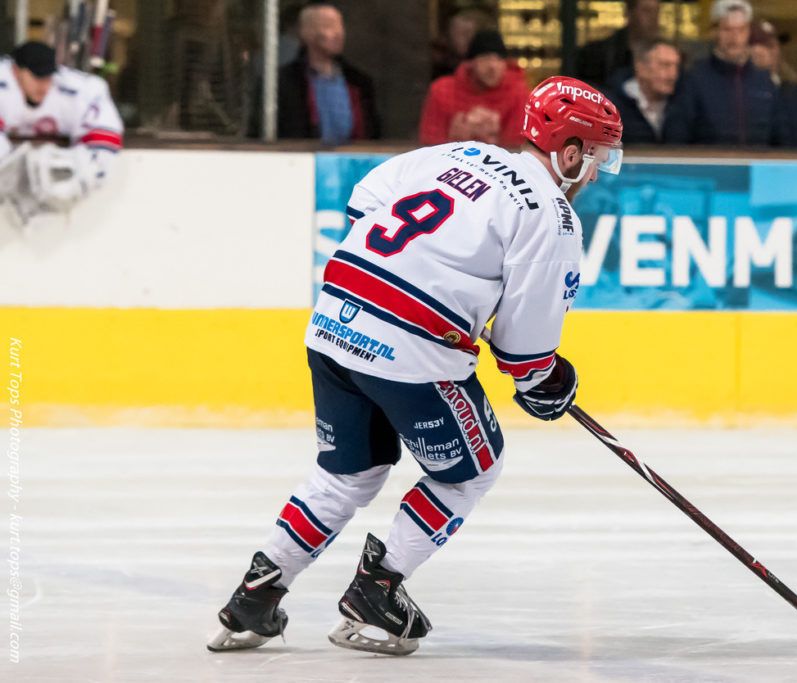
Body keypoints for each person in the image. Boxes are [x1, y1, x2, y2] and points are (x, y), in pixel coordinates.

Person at [208, 75, 624, 656]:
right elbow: (525, 354)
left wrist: (425, 274)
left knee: (347, 473)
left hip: (332, 320)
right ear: (570, 151)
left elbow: (363, 201)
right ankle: (377, 588)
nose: (597, 172)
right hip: (410, 347)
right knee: (472, 469)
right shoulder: (552, 217)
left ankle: (255, 595)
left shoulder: (461, 153)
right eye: (597, 156)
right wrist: (546, 382)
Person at [0, 41, 123, 224]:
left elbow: (105, 138)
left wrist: (81, 173)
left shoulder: (81, 90)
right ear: (17, 71)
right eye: (36, 77)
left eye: (48, 77)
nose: (44, 84)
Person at [254, 1, 380, 143]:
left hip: (356, 162)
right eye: (328, 26)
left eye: (340, 26)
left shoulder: (359, 82)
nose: (338, 33)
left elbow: (373, 133)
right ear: (306, 33)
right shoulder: (282, 83)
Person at [675, 0, 782, 146]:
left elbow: (779, 136)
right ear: (715, 32)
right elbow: (679, 135)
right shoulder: (694, 79)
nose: (734, 37)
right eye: (727, 29)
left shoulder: (764, 81)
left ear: (748, 32)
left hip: (756, 166)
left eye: (741, 30)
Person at [419, 31, 529, 149]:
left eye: (499, 59)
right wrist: (457, 137)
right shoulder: (442, 90)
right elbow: (429, 142)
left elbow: (517, 148)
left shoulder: (518, 93)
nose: (492, 66)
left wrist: (492, 138)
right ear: (471, 63)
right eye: (485, 58)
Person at [606, 39, 684, 144]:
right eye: (665, 65)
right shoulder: (611, 108)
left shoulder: (685, 103)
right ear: (641, 68)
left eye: (676, 67)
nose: (673, 75)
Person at [574, 0, 661, 88]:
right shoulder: (597, 54)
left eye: (656, 11)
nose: (653, 18)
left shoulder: (663, 53)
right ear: (629, 13)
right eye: (646, 11)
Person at [430, 7, 493, 80]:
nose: (458, 39)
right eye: (454, 33)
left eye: (465, 33)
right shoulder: (440, 62)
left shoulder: (490, 65)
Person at [749, 19, 797, 87]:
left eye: (774, 46)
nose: (774, 52)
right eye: (768, 46)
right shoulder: (743, 85)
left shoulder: (786, 85)